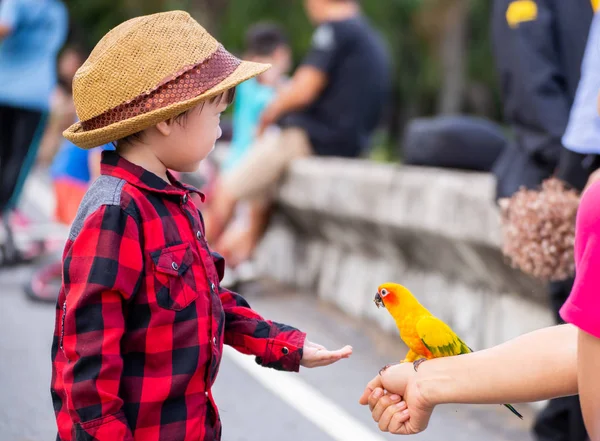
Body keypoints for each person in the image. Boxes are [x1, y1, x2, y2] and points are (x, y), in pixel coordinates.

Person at [50, 11, 352, 441]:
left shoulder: (177, 200)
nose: (220, 127)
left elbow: (204, 296)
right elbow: (87, 366)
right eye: (215, 111)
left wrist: (285, 344)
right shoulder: (114, 214)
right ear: (168, 119)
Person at [490, 1, 597, 439]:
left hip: (578, 175)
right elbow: (532, 88)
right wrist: (566, 176)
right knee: (580, 339)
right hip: (566, 175)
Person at [203, 0, 391, 248]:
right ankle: (232, 257)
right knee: (257, 211)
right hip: (349, 144)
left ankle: (188, 264)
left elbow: (304, 88)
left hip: (311, 137)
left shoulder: (336, 30)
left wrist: (269, 115)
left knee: (227, 192)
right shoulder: (371, 38)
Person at [213, 22, 291, 270]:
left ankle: (221, 265)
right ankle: (217, 264)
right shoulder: (264, 85)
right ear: (280, 53)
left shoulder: (246, 83)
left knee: (235, 224)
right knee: (240, 226)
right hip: (247, 165)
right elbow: (277, 107)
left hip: (235, 161)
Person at [0, 0, 68, 265]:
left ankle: (4, 223)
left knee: (5, 158)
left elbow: (4, 26)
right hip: (35, 95)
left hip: (5, 89)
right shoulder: (56, 10)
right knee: (18, 163)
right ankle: (4, 219)